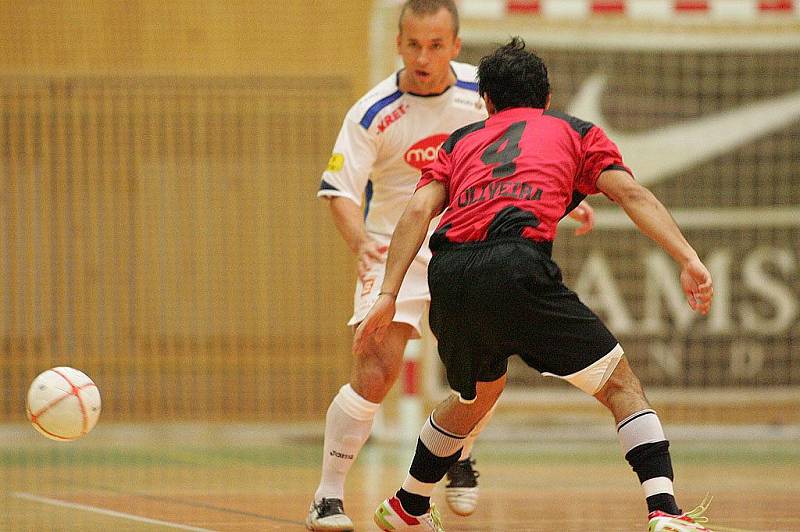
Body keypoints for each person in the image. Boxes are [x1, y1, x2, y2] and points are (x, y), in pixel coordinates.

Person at [356, 38, 718, 532]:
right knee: (620, 385)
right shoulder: (574, 130)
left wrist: (387, 295)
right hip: (514, 265)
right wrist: (689, 258)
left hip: (450, 274)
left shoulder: (460, 140)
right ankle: (664, 509)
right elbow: (631, 193)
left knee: (476, 395)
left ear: (487, 102)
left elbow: (418, 211)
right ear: (547, 98)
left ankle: (407, 506)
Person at [308, 2, 597, 530]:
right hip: (395, 248)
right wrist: (362, 246)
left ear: (456, 45)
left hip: (468, 243)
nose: (424, 57)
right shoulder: (371, 112)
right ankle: (327, 496)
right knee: (376, 368)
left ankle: (457, 451)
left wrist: (567, 198)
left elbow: (522, 151)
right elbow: (339, 192)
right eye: (414, 44)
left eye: (436, 45)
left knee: (477, 375)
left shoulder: (481, 93)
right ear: (398, 43)